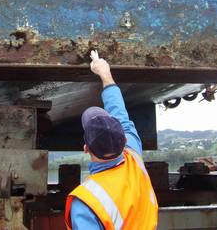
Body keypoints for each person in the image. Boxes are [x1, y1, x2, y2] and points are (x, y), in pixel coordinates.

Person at [65, 50, 158, 230]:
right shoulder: (133, 157)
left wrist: (103, 72)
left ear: (86, 148)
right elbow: (120, 115)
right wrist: (106, 74)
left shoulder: (87, 201)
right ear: (123, 140)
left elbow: (120, 114)